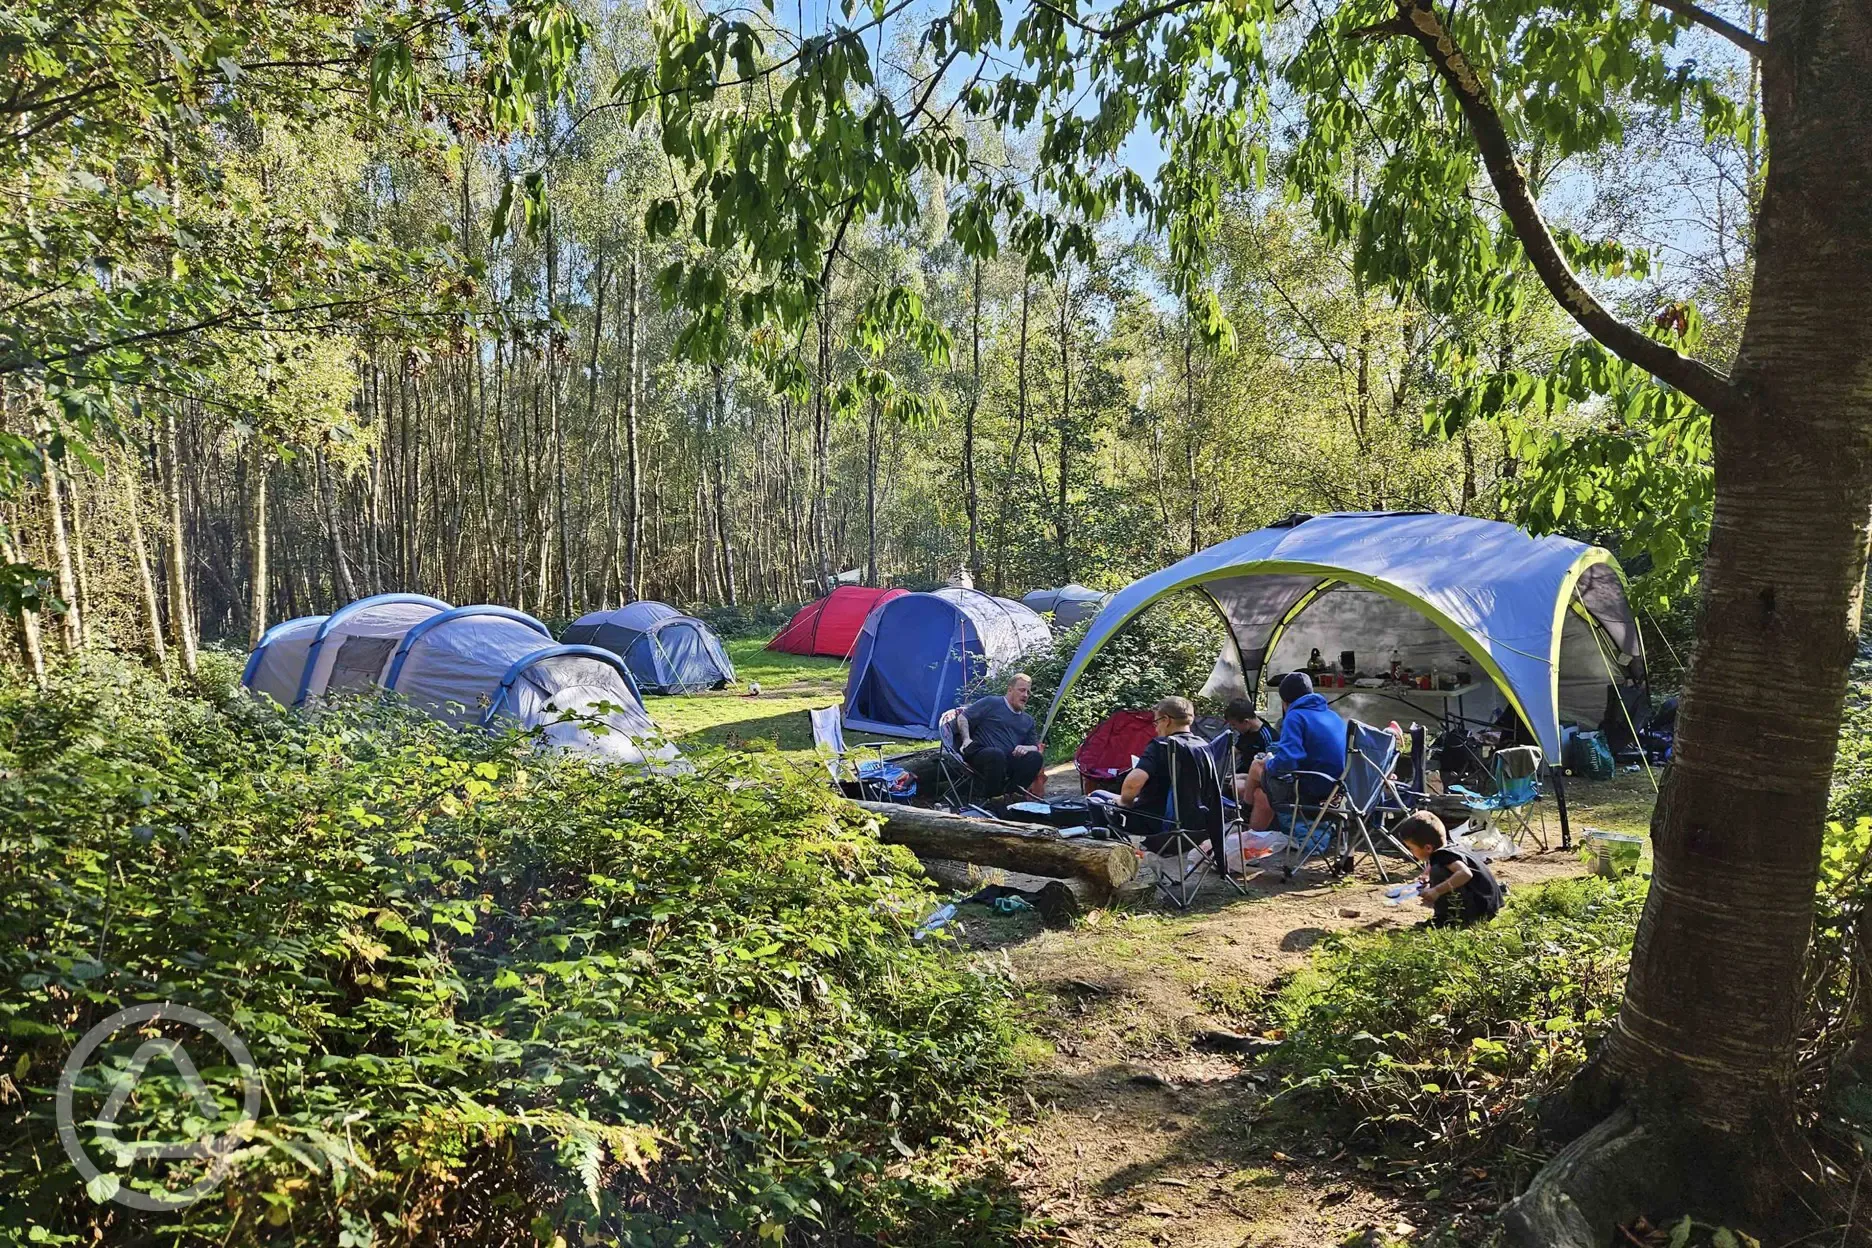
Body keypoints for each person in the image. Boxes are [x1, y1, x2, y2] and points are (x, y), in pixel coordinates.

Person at [1112, 695, 1228, 868]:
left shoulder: (1161, 746)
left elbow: (1132, 784)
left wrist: (1124, 801)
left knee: (1097, 800)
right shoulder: (1203, 746)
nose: (1156, 728)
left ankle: (1117, 868)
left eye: (1156, 722)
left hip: (1161, 827)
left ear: (1166, 720)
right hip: (1201, 826)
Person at [1241, 671, 1347, 831]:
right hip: (1337, 791)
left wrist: (1269, 763)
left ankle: (1243, 816)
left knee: (1257, 766)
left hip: (1311, 791)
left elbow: (1288, 760)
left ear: (1285, 701)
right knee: (1260, 792)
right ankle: (1251, 832)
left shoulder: (1295, 716)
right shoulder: (1332, 716)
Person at [1395, 811, 1504, 927]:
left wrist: (1436, 890)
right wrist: (1426, 875)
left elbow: (1465, 873)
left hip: (1480, 910)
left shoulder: (1441, 857)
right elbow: (1435, 861)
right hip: (1490, 904)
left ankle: (1445, 920)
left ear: (1427, 847)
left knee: (1438, 871)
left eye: (1411, 848)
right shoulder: (1450, 847)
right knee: (1437, 870)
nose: (1411, 852)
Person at [954, 673, 1047, 798]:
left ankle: (1011, 795)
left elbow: (1035, 746)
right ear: (1010, 690)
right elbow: (963, 717)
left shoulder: (1027, 720)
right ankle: (993, 799)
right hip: (981, 754)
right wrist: (966, 739)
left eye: (1028, 692)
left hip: (1008, 760)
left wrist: (1027, 748)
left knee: (1036, 758)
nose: (1025, 695)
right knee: (996, 754)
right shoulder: (992, 702)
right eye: (1022, 690)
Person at [1210, 696, 1273, 803]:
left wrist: (1246, 777)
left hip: (1258, 779)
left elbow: (1270, 771)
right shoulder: (1246, 732)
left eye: (1234, 725)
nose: (1234, 728)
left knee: (1237, 785)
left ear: (1246, 722)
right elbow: (1235, 750)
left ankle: (1244, 812)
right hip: (1242, 773)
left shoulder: (1267, 737)